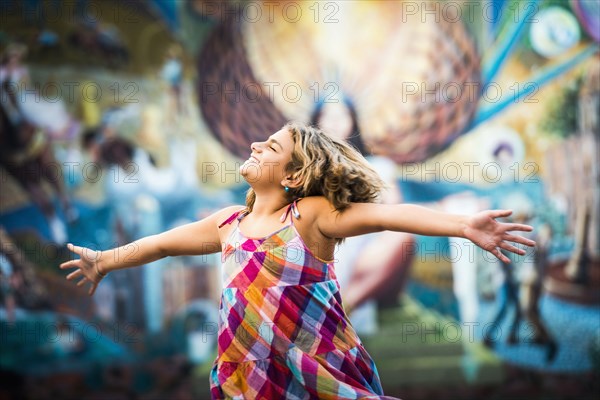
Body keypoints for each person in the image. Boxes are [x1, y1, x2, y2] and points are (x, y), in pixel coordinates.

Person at [60, 123, 535, 399]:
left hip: (316, 367)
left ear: (294, 174)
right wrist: (105, 259)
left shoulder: (309, 216)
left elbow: (389, 216)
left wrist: (463, 226)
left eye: (270, 147)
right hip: (248, 371)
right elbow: (162, 244)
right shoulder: (228, 223)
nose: (254, 146)